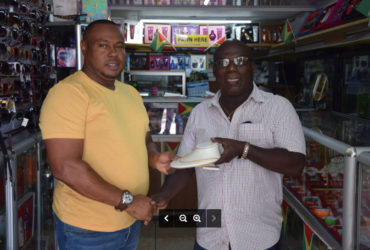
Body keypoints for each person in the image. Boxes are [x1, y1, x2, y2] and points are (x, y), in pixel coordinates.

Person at [152, 40, 306, 250]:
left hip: (259, 237)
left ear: (252, 66)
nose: (232, 67)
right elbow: (185, 165)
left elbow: (296, 164)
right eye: (223, 62)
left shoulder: (277, 108)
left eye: (240, 61)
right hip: (210, 235)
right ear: (215, 70)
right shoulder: (200, 113)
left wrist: (243, 149)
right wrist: (164, 195)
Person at [39, 19, 174, 250]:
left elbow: (144, 139)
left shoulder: (130, 94)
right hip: (87, 229)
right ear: (84, 48)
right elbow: (65, 166)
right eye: (103, 45)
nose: (113, 53)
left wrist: (154, 158)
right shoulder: (68, 94)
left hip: (129, 222)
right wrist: (128, 201)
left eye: (119, 47)